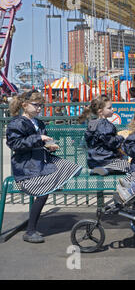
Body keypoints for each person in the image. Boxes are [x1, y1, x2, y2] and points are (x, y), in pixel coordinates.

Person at [6, 90, 82, 243]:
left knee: (69, 167)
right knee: (43, 193)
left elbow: (41, 142)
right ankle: (30, 231)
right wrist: (38, 138)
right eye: (36, 105)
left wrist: (49, 145)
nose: (39, 108)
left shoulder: (38, 122)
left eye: (41, 105)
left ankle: (53, 185)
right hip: (26, 167)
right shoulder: (17, 122)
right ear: (24, 105)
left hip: (40, 163)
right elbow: (14, 144)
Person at [78, 95, 130, 175]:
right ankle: (107, 170)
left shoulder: (91, 123)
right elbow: (112, 142)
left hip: (92, 161)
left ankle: (97, 170)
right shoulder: (104, 124)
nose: (112, 110)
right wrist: (121, 137)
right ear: (100, 111)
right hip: (106, 160)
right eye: (109, 108)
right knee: (127, 165)